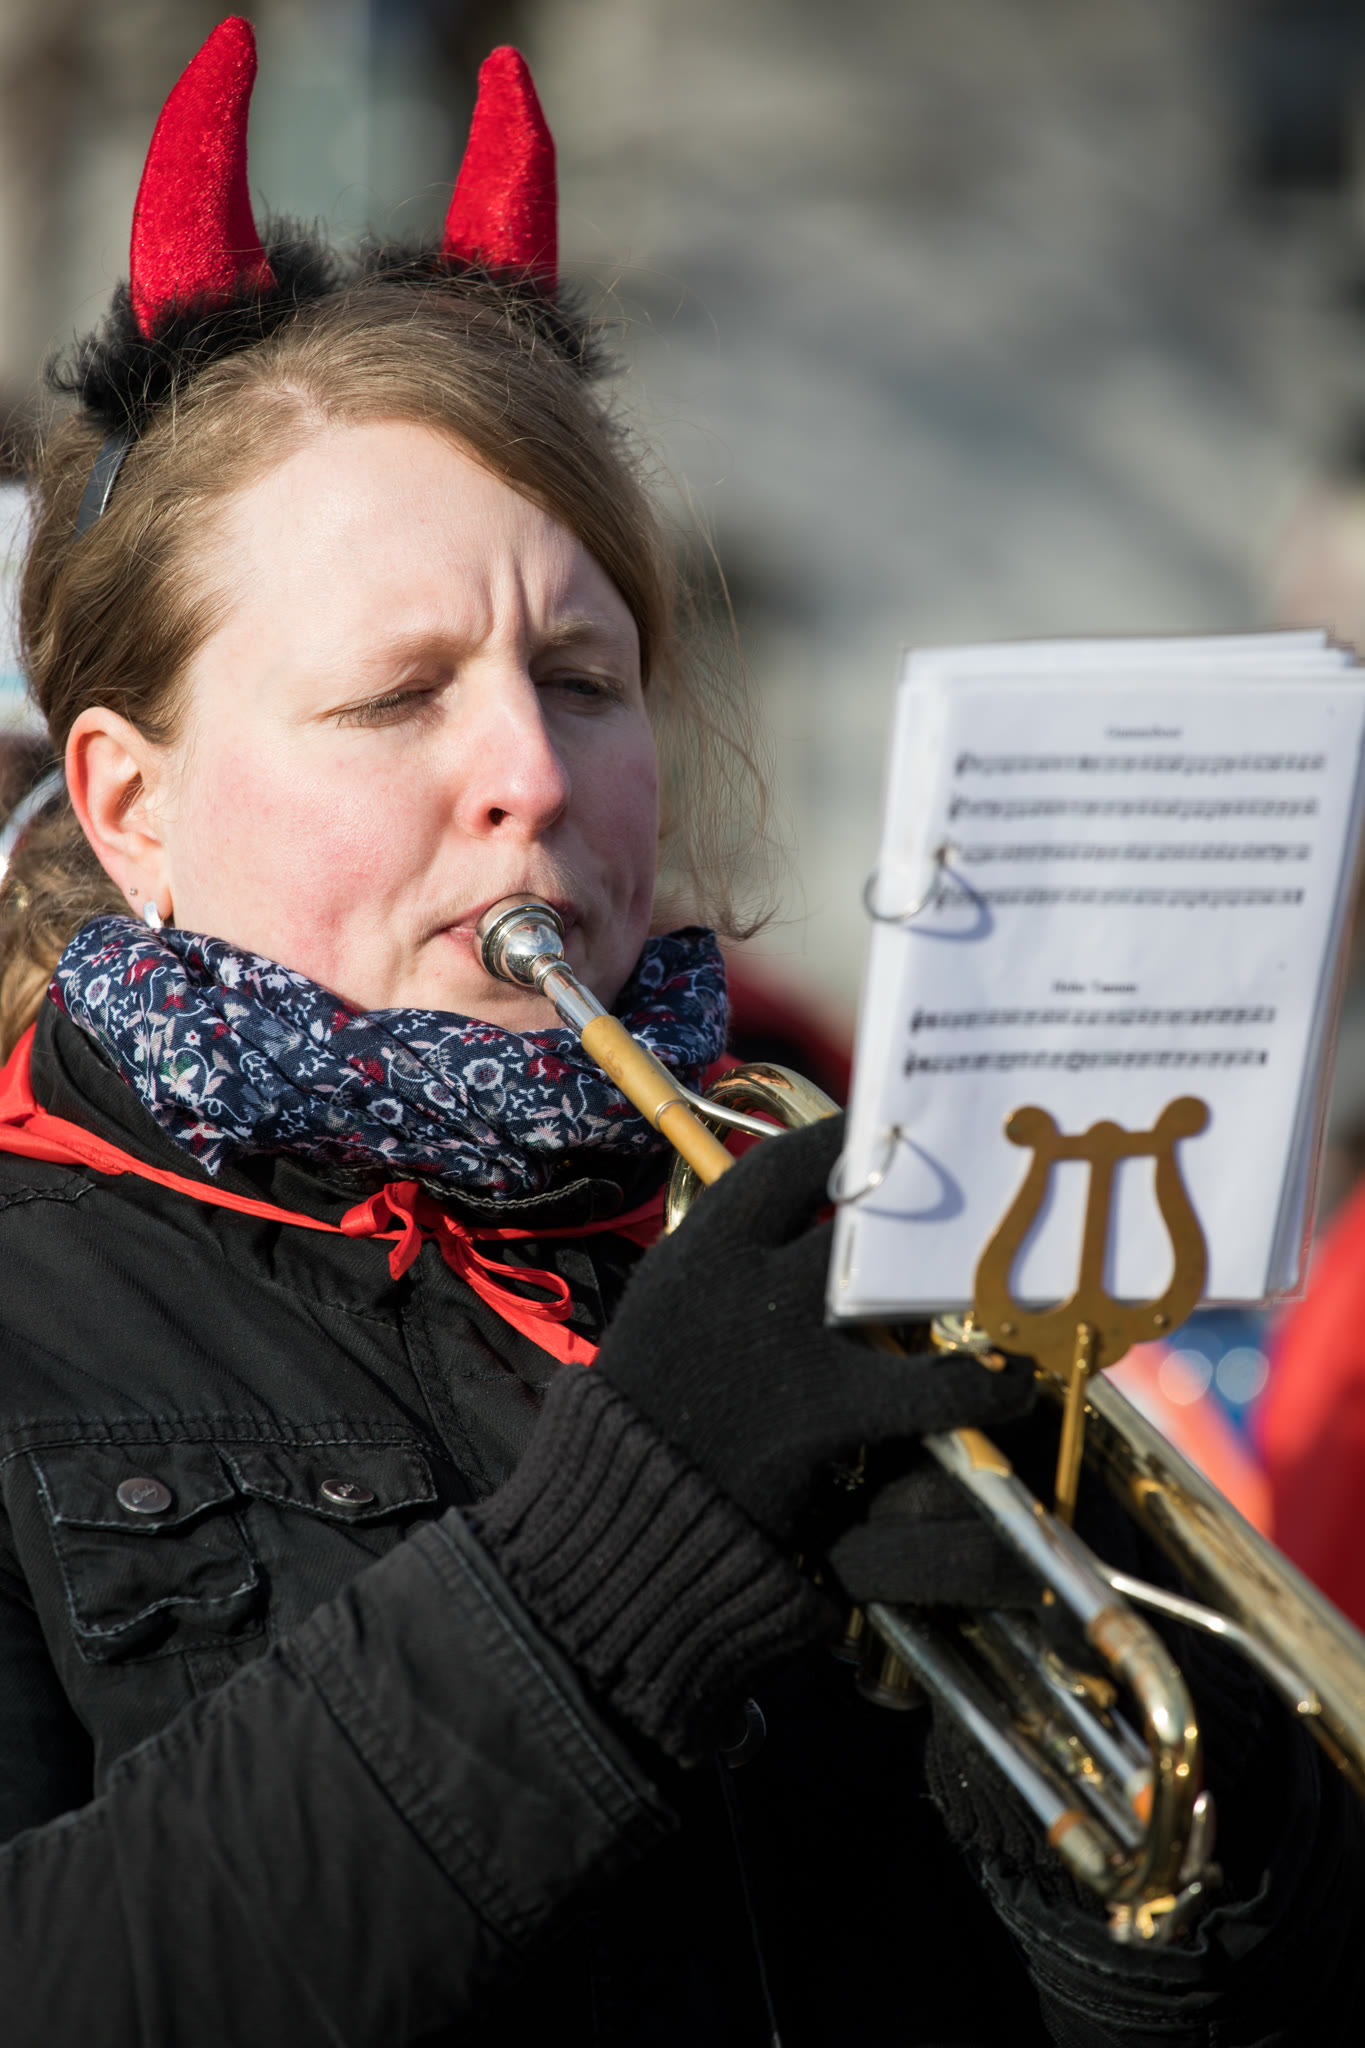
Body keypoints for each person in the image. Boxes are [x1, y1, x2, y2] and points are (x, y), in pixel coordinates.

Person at [0, 21, 1361, 2046]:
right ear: (133, 804)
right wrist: (638, 1536)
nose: (532, 775)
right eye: (395, 697)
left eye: (580, 676)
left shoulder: (767, 1213)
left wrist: (1151, 1791)